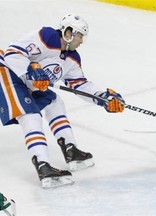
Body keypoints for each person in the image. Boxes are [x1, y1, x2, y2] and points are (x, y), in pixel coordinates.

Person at [0, 14, 125, 188]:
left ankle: (71, 150)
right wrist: (30, 69)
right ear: (68, 32)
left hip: (28, 84)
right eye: (80, 35)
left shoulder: (72, 58)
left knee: (55, 103)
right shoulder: (47, 37)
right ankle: (43, 166)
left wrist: (103, 98)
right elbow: (12, 53)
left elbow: (80, 85)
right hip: (6, 73)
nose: (81, 40)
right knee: (30, 117)